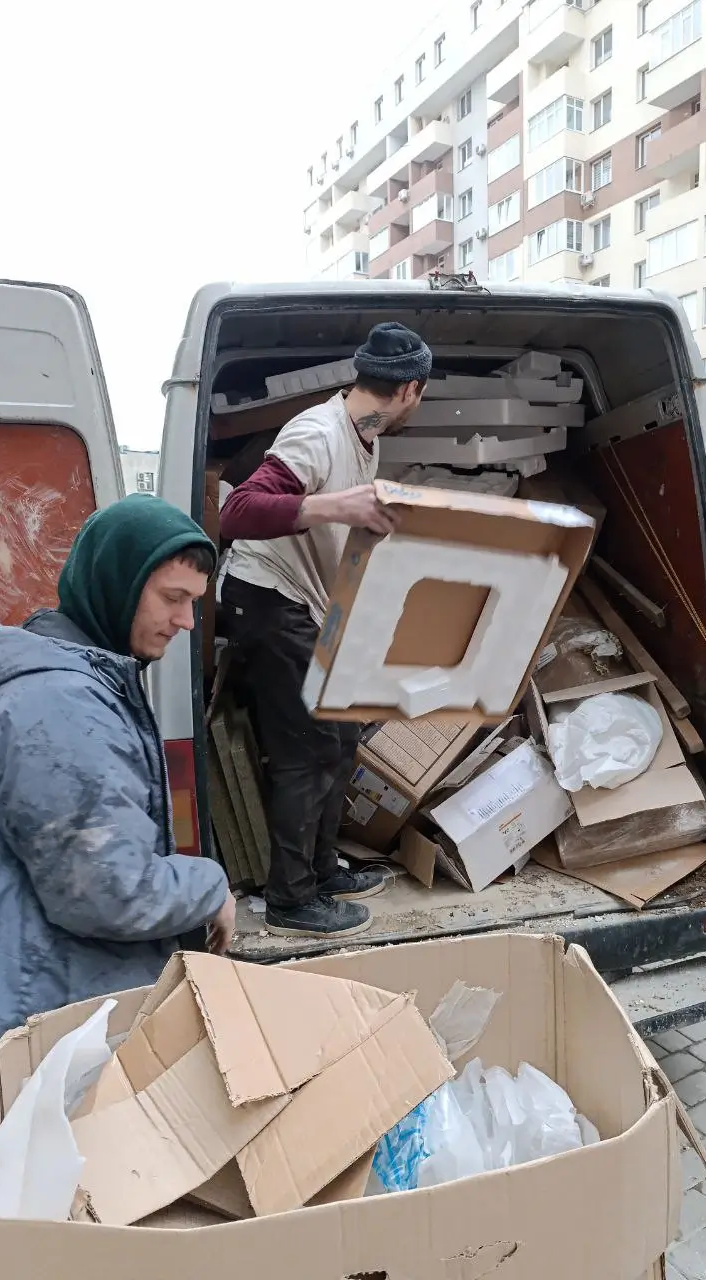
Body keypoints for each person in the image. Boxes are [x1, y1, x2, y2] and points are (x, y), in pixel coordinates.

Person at [0, 494, 235, 1053]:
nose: (185, 622)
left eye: (193, 603)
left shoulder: (85, 680)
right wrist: (211, 888)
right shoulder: (60, 704)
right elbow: (106, 891)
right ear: (119, 583)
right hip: (48, 1018)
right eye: (172, 598)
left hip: (60, 995)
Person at [219, 321, 432, 940]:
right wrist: (337, 506)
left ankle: (321, 870)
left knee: (339, 738)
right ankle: (291, 900)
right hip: (268, 599)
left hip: (310, 605)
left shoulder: (365, 438)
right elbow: (237, 512)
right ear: (410, 389)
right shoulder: (318, 432)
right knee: (306, 750)